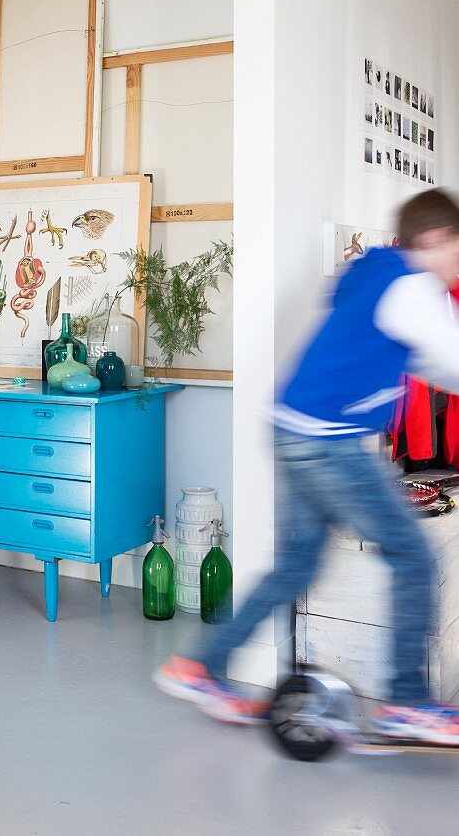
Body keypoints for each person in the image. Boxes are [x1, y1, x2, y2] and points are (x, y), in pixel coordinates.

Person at [154, 189, 459, 743]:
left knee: (296, 567)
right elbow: (451, 360)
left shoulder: (374, 270)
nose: (457, 264)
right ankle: (407, 702)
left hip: (292, 427)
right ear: (435, 239)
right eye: (457, 251)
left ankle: (199, 667)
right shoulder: (414, 287)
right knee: (412, 554)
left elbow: (426, 357)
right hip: (327, 441)